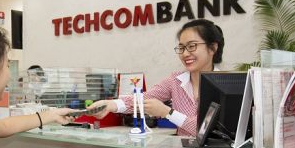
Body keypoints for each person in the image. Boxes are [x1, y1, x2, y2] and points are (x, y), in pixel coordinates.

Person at [89, 18, 225, 136]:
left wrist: (168, 112)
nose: (185, 54)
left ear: (213, 48)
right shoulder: (175, 80)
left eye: (192, 46)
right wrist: (110, 105)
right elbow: (144, 98)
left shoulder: (225, 85)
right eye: (181, 48)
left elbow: (208, 130)